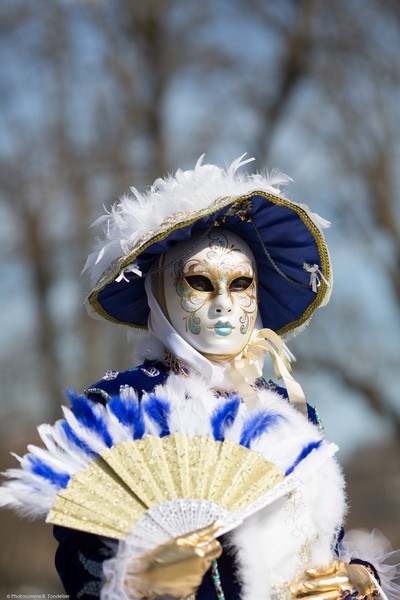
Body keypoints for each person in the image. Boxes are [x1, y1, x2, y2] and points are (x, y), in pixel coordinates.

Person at [1, 156, 399, 599]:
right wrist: (141, 580)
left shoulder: (291, 410)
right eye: (201, 283)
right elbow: (84, 556)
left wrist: (352, 579)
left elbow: (325, 545)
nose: (225, 304)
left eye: (241, 284)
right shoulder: (123, 407)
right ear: (160, 294)